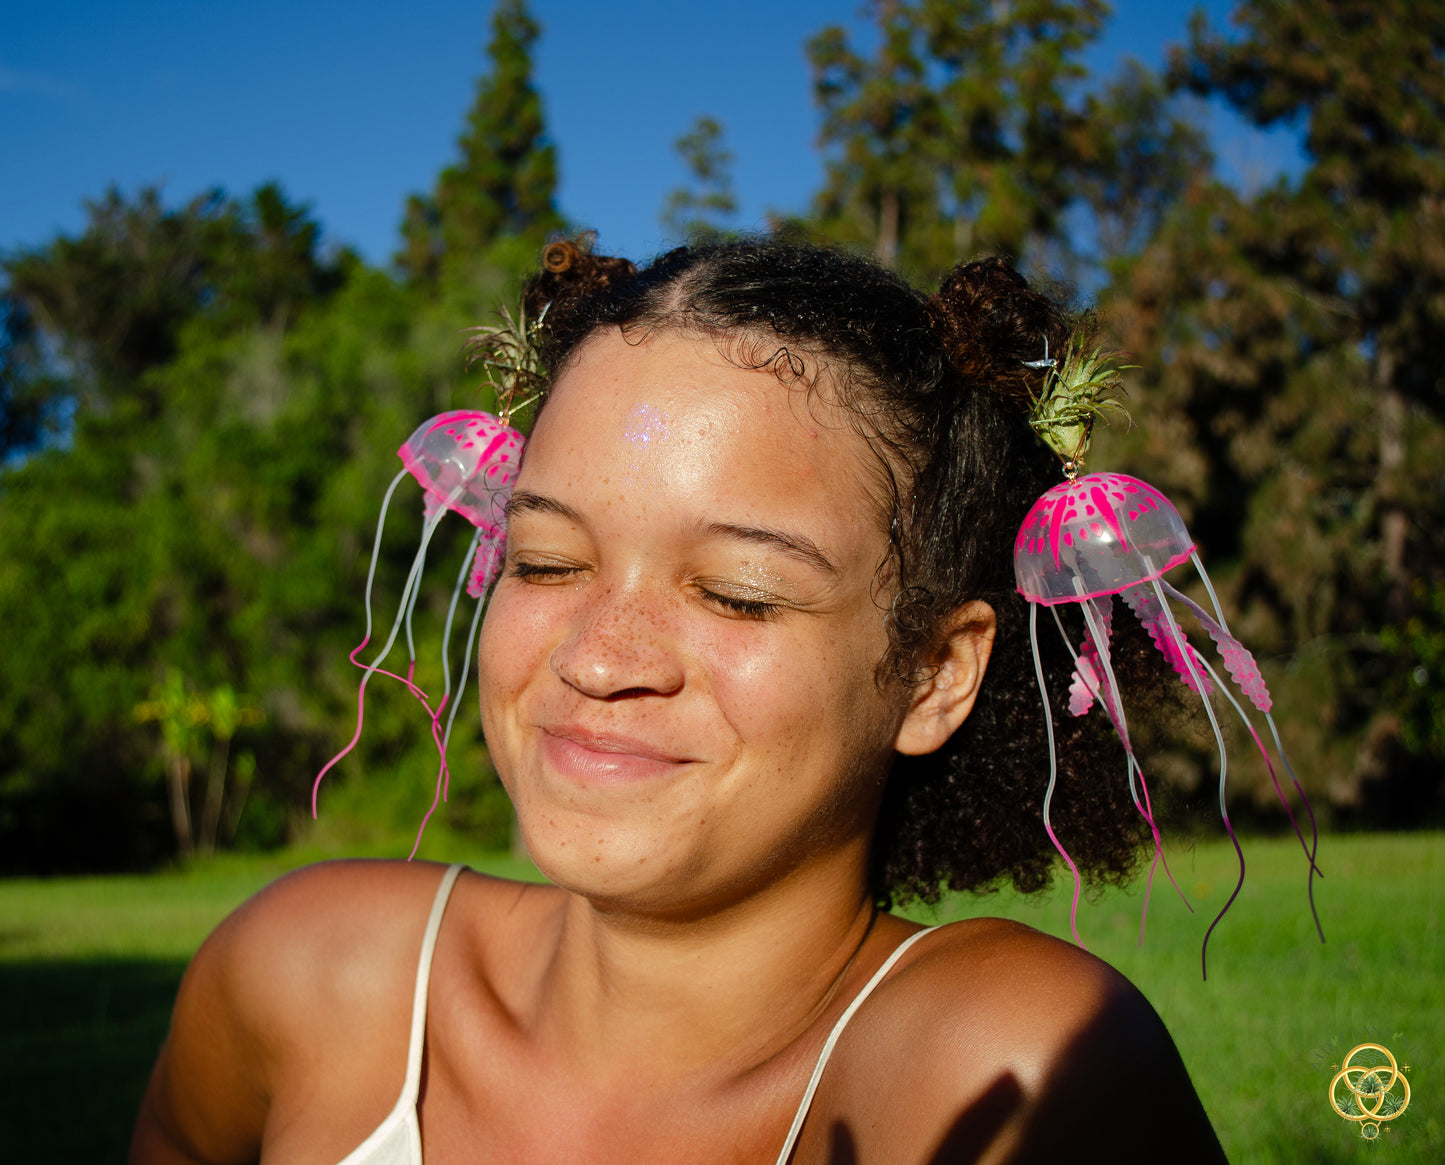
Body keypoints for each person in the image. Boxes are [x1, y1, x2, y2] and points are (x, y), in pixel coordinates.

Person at [130, 238, 1228, 1164]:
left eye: (738, 593)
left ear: (934, 674)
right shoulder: (306, 980)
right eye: (546, 562)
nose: (599, 657)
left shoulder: (1007, 1076)